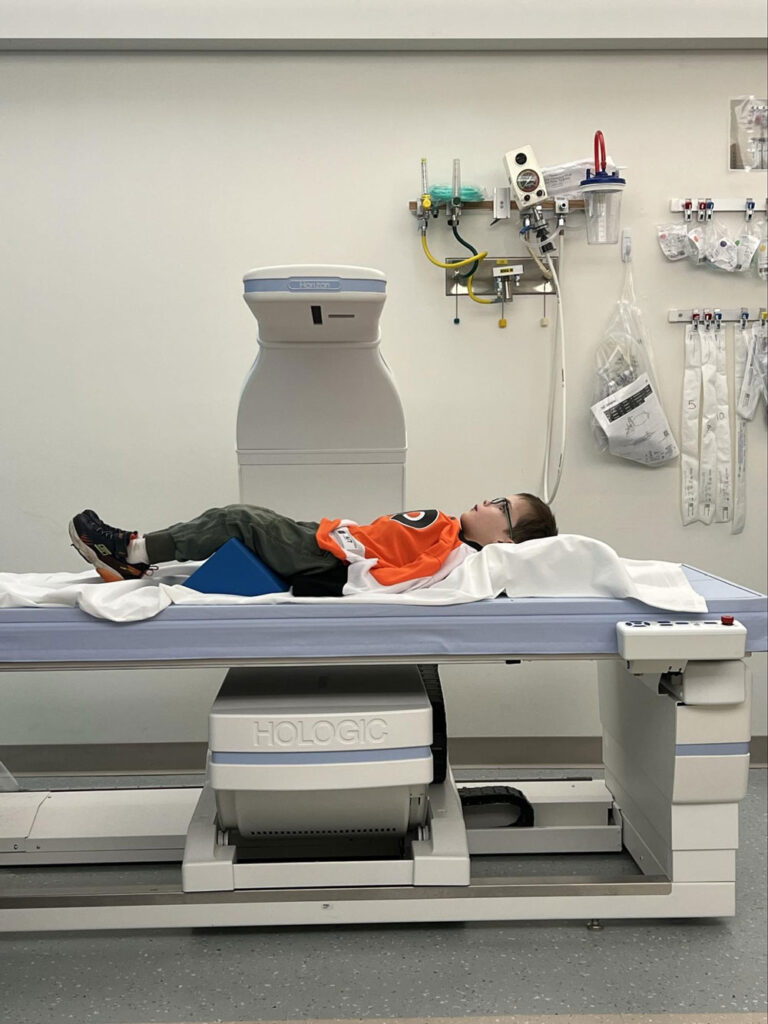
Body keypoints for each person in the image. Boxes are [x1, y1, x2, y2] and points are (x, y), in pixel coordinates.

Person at [69, 495, 558, 597]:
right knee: (246, 520)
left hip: (329, 558)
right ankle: (133, 558)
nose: (488, 500)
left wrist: (341, 580)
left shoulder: (454, 554)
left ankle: (129, 551)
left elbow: (401, 579)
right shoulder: (449, 531)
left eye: (502, 506)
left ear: (505, 538)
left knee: (238, 520)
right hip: (331, 538)